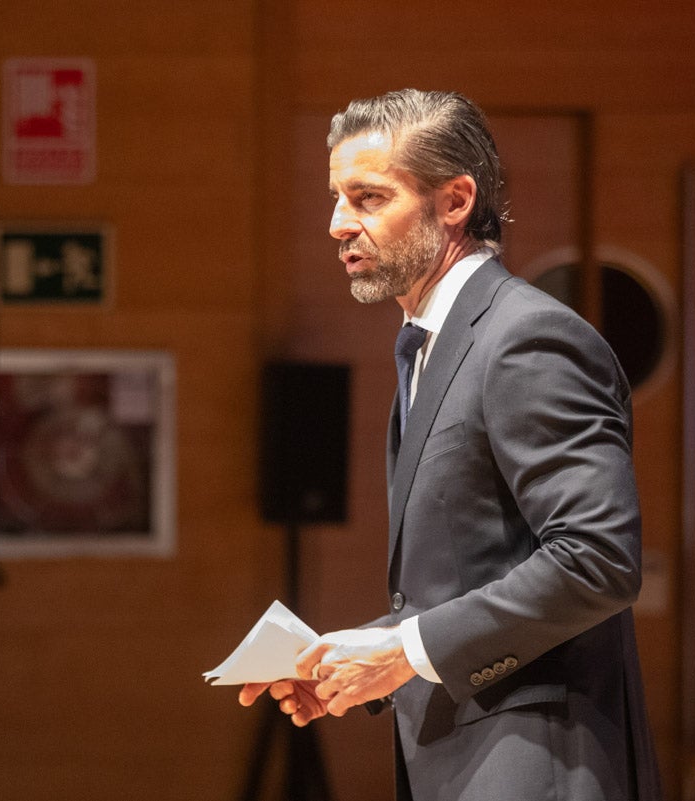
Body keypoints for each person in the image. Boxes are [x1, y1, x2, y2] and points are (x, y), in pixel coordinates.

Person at [238, 89, 662, 801]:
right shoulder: (434, 346)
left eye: (368, 198)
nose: (338, 224)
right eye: (337, 198)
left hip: (539, 767)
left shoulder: (524, 339)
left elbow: (599, 558)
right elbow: (464, 580)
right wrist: (350, 657)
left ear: (455, 200)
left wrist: (404, 651)